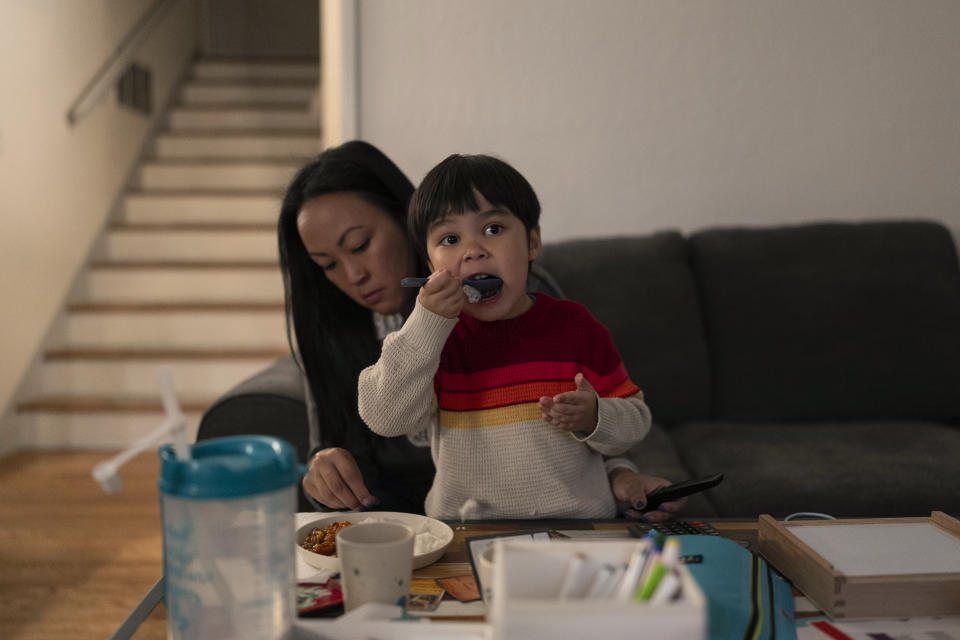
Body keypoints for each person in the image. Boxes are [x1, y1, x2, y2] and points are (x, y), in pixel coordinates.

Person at [281, 140, 685, 520]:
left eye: (359, 245)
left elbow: (608, 427)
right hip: (433, 522)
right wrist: (324, 473)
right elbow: (371, 422)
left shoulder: (555, 314)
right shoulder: (396, 335)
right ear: (431, 249)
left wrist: (614, 463)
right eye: (327, 264)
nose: (354, 275)